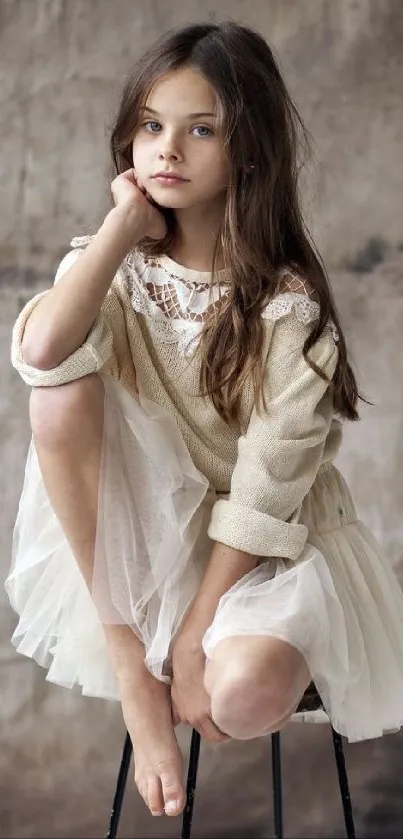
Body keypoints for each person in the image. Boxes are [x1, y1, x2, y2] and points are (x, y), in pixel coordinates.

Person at [6, 20, 403, 820]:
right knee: (58, 387)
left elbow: (264, 490)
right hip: (143, 545)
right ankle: (132, 669)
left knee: (242, 695)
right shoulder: (112, 269)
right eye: (151, 127)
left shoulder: (289, 306)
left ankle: (191, 655)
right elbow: (42, 351)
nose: (167, 151)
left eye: (200, 130)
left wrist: (193, 637)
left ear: (246, 149)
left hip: (258, 556)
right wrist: (122, 228)